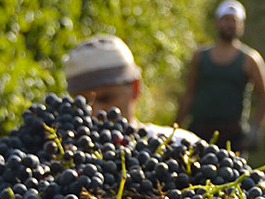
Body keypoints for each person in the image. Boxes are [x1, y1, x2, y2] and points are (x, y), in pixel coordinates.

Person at [177, 0, 265, 154]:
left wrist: (257, 128)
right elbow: (189, 93)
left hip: (233, 136)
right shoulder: (200, 57)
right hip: (199, 132)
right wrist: (176, 126)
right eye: (226, 19)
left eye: (234, 21)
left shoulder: (250, 59)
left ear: (242, 25)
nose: (230, 25)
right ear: (217, 22)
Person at [62, 35, 196, 143]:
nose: (95, 112)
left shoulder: (180, 145)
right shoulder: (60, 158)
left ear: (136, 87)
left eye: (106, 98)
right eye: (83, 104)